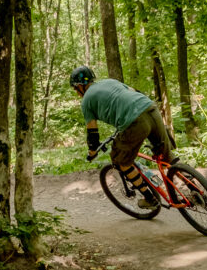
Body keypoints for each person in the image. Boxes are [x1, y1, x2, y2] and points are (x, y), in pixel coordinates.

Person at [70, 66, 175, 209]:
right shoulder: (110, 82)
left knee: (120, 161)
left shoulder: (86, 101)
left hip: (135, 121)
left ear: (80, 86)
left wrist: (92, 152)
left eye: (76, 89)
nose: (77, 93)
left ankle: (149, 198)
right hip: (150, 108)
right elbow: (135, 92)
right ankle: (194, 188)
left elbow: (92, 132)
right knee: (167, 156)